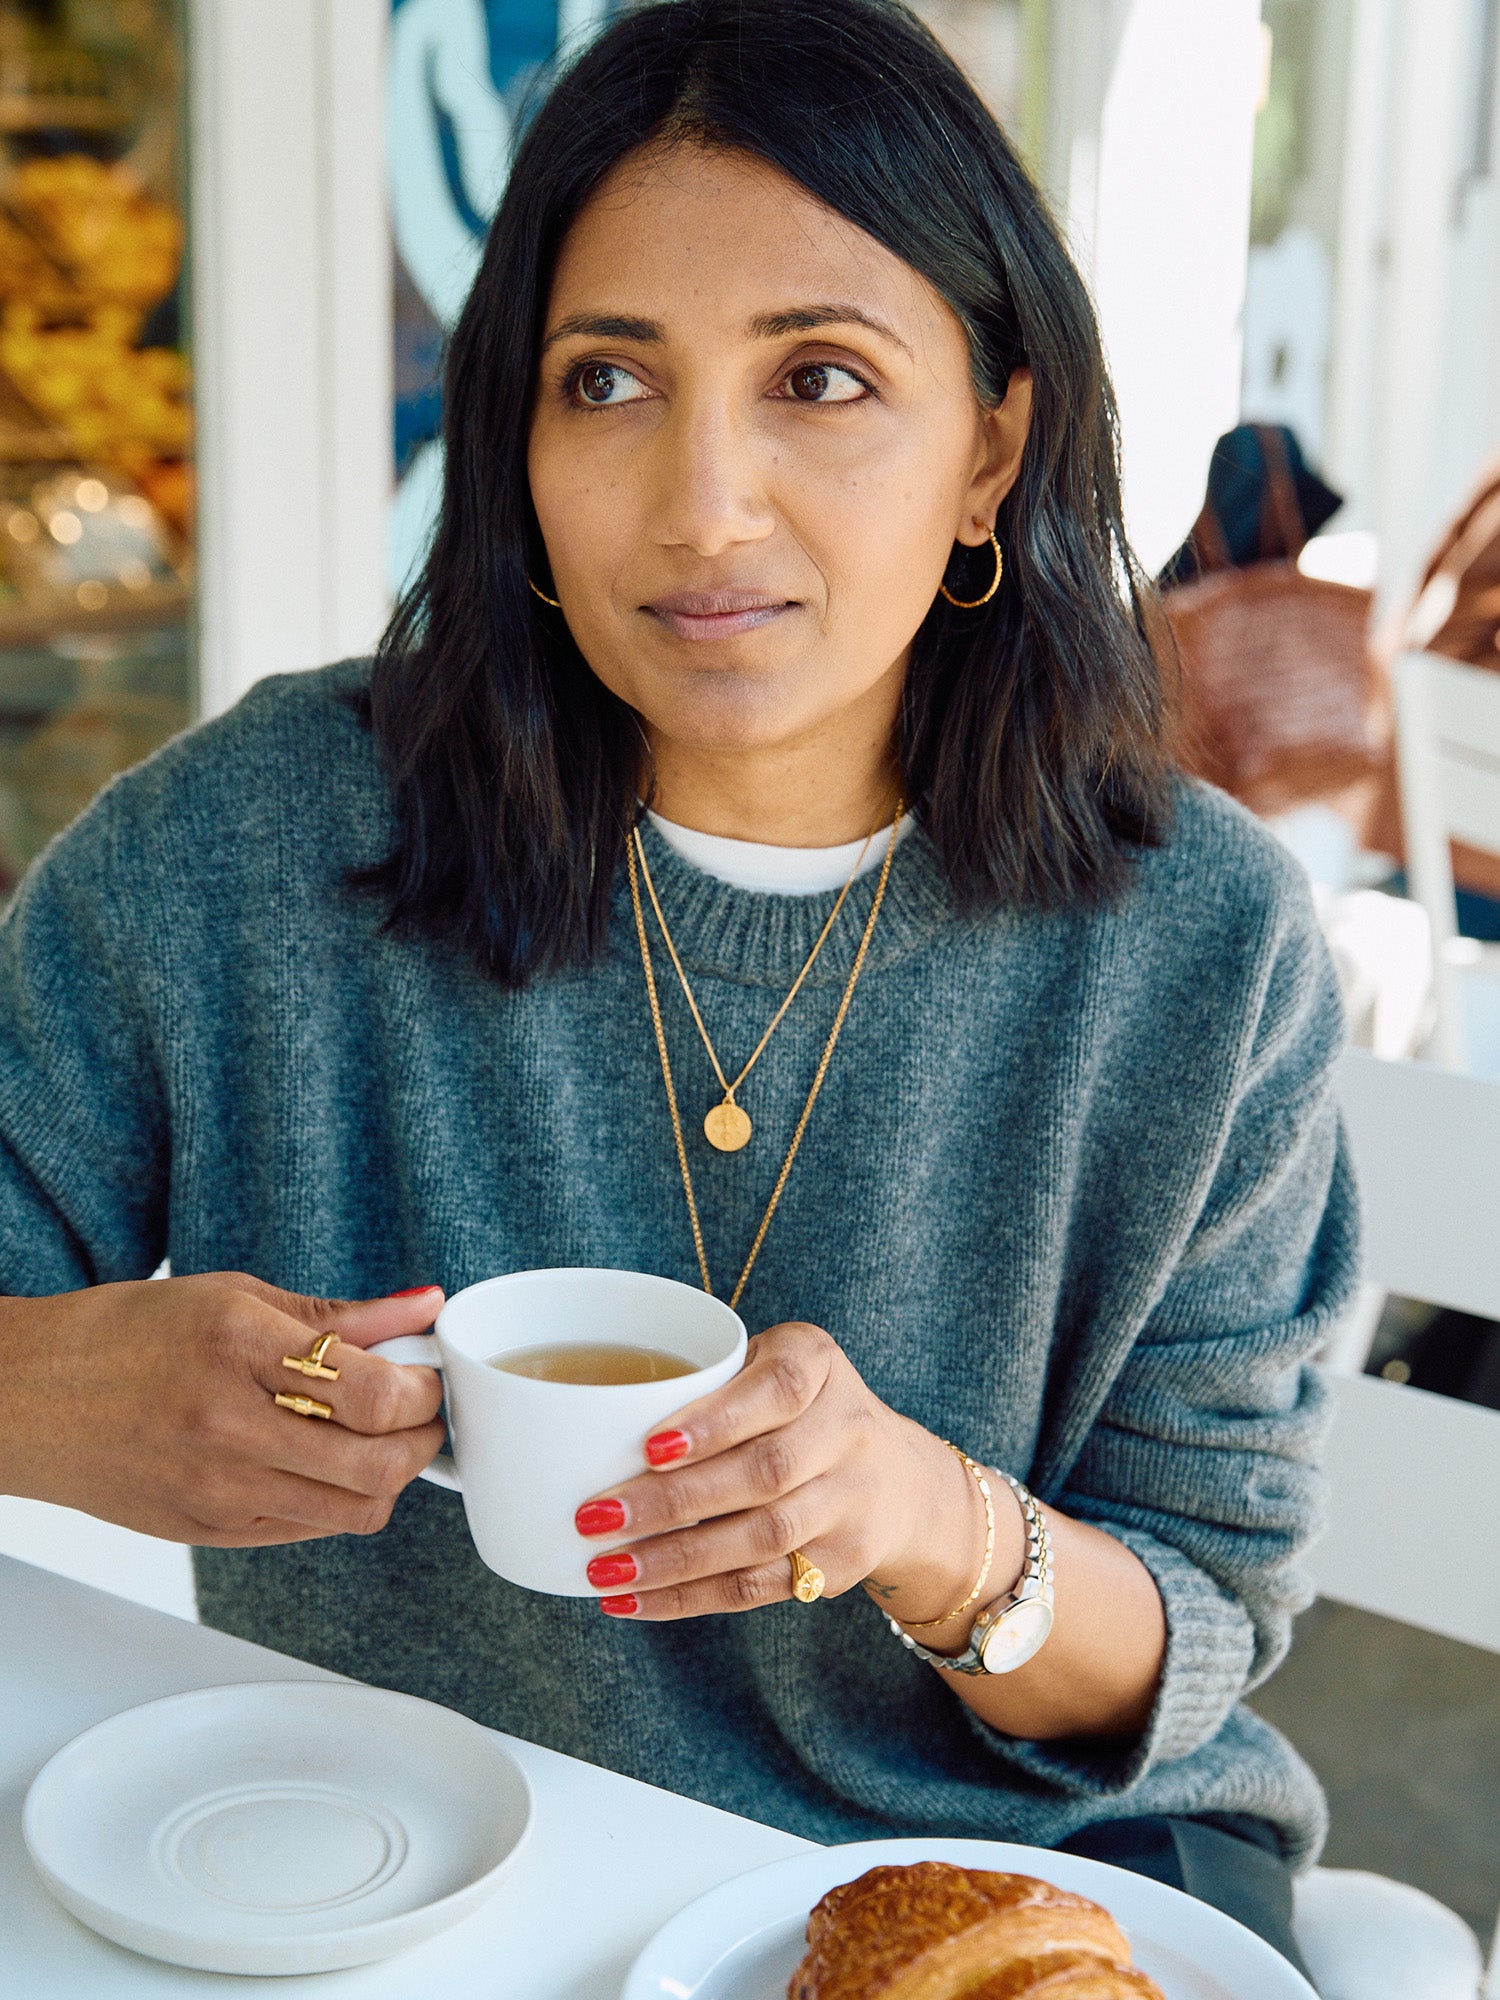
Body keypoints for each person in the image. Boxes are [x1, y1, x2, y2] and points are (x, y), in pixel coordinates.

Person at [0, 0, 1350, 1976]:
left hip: (1030, 1888)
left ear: (994, 441)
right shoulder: (240, 852)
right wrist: (39, 1394)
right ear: (517, 440)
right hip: (413, 1883)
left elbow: (1190, 1639)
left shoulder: (1202, 949)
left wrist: (929, 1520)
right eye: (609, 379)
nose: (704, 501)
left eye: (818, 376)